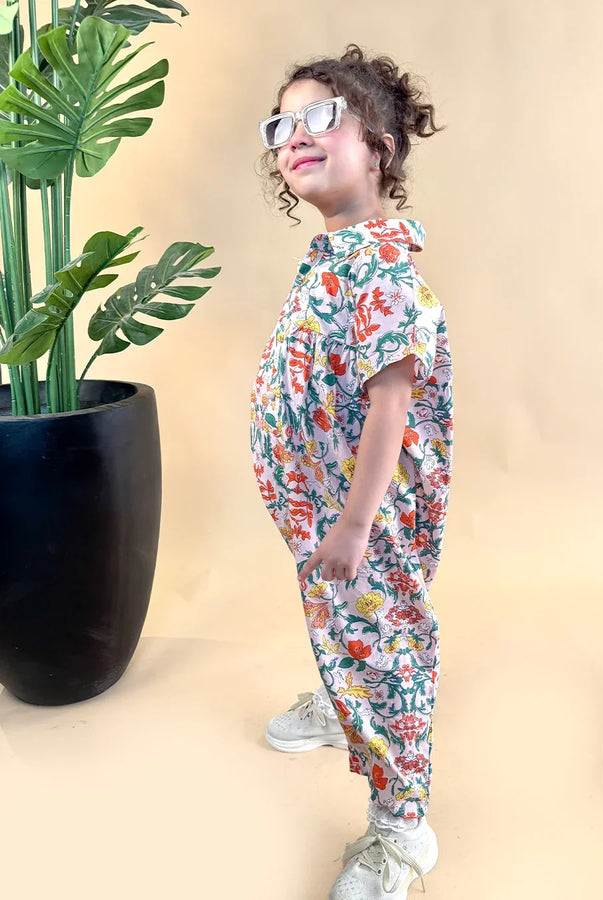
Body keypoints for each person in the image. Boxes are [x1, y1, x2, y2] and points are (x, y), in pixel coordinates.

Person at [250, 43, 454, 900]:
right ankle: (344, 706)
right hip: (323, 513)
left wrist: (357, 523)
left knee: (388, 644)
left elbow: (390, 408)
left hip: (359, 521)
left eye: (321, 115)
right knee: (346, 627)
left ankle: (403, 829)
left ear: (379, 144)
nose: (296, 134)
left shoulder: (380, 269)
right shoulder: (337, 256)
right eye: (281, 124)